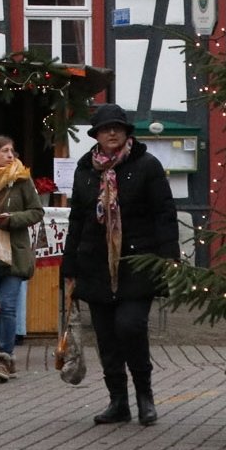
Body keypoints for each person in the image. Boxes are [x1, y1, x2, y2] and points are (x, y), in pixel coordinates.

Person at [60, 103, 178, 427]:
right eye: (105, 128)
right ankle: (118, 402)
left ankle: (145, 396)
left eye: (118, 127)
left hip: (137, 262)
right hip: (95, 265)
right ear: (96, 135)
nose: (112, 132)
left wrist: (169, 257)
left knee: (130, 326)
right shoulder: (86, 170)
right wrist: (69, 266)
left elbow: (164, 214)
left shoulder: (147, 166)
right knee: (107, 336)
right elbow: (77, 220)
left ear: (127, 132)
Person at [0, 135, 43, 382]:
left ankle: (5, 357)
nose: (11, 155)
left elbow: (37, 212)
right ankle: (0, 351)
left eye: (12, 151)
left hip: (14, 253)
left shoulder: (21, 179)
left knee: (9, 306)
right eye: (5, 151)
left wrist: (11, 219)